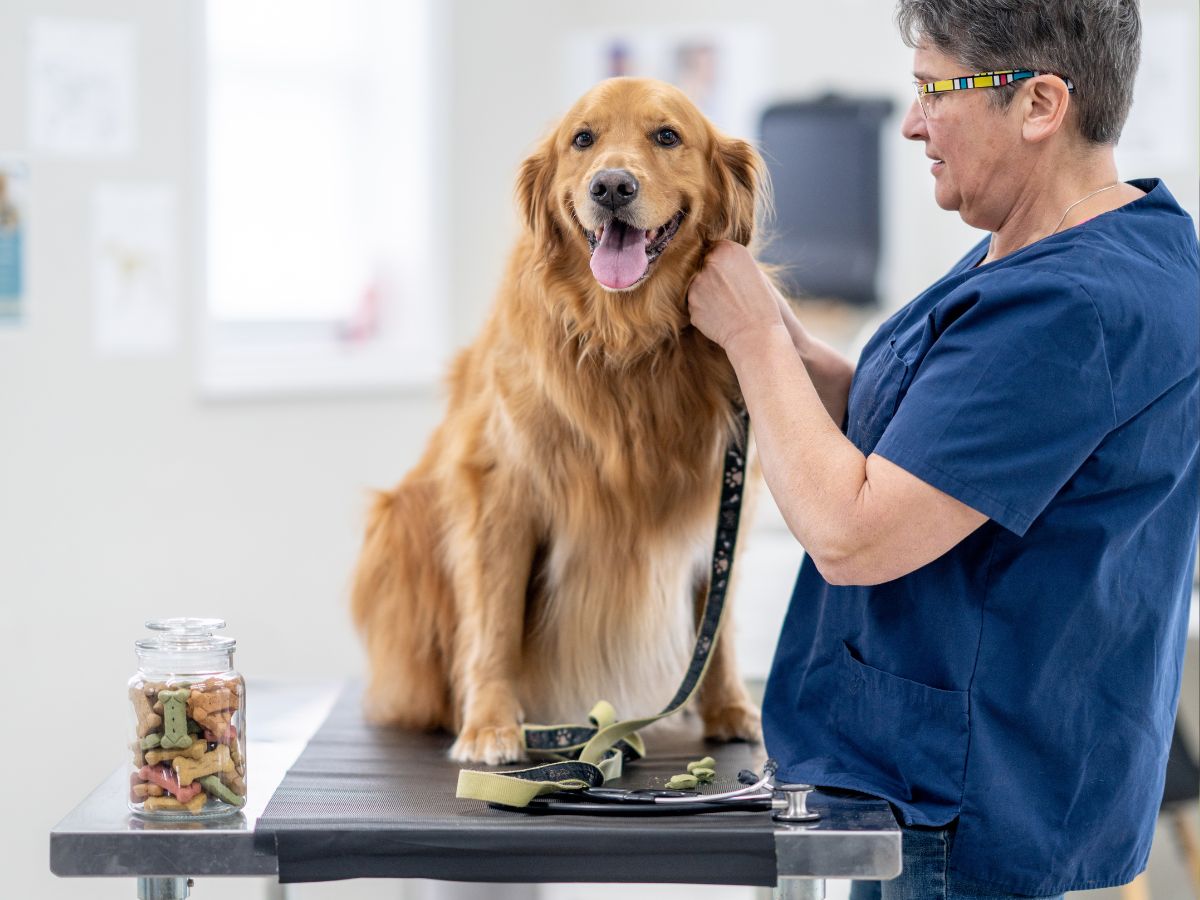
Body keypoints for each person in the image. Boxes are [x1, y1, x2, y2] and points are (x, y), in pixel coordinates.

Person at [686, 2, 1199, 898]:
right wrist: (788, 342)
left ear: (1040, 104)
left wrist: (752, 345)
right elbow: (934, 438)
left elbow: (853, 534)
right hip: (951, 779)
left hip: (967, 815)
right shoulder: (1081, 244)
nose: (913, 123)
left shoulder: (1070, 308)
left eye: (934, 91)